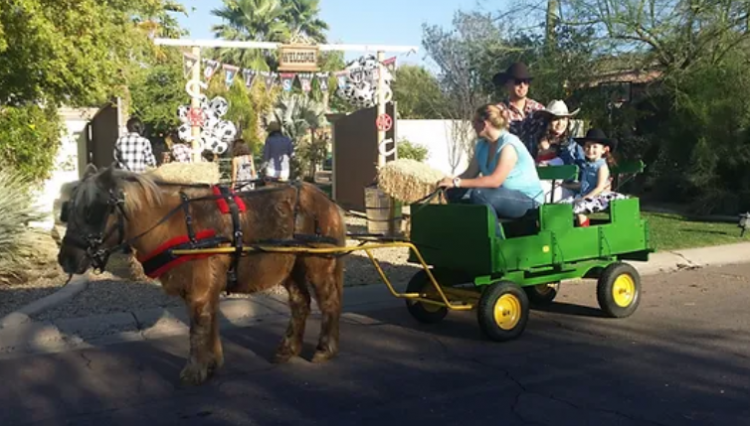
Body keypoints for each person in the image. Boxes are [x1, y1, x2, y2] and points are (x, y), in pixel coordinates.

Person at [437, 103, 545, 237]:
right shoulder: (482, 145)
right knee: (455, 193)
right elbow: (469, 174)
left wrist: (457, 182)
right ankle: (468, 236)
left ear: (484, 124)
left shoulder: (509, 144)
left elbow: (495, 181)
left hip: (528, 200)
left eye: (474, 122)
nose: (472, 126)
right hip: (501, 197)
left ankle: (496, 245)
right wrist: (450, 183)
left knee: (479, 194)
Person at [560, 128, 627, 227]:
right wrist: (566, 185)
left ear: (604, 149)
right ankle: (576, 228)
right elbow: (584, 184)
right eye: (588, 146)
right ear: (583, 148)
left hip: (597, 196)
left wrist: (586, 197)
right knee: (563, 205)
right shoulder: (587, 165)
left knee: (580, 207)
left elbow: (599, 187)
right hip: (586, 194)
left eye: (595, 147)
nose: (591, 150)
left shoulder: (602, 166)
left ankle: (584, 231)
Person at [492, 62, 545, 153]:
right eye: (518, 82)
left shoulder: (539, 109)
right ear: (507, 84)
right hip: (510, 164)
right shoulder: (498, 112)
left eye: (526, 81)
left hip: (538, 164)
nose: (522, 85)